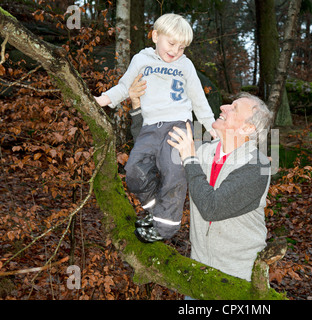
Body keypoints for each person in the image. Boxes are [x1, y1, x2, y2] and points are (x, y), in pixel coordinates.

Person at [94, 13, 216, 242]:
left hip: (179, 125)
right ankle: (155, 209)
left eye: (182, 47)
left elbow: (199, 100)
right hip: (150, 127)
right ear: (155, 36)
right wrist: (102, 100)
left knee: (174, 172)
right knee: (134, 170)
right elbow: (124, 87)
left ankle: (165, 228)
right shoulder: (141, 60)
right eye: (171, 43)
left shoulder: (186, 66)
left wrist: (211, 127)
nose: (176, 51)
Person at [167, 92, 273, 282]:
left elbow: (211, 208)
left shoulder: (257, 166)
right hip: (198, 269)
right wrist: (136, 107)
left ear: (247, 128)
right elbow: (156, 154)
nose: (224, 107)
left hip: (238, 276)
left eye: (234, 108)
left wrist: (190, 159)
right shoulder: (203, 151)